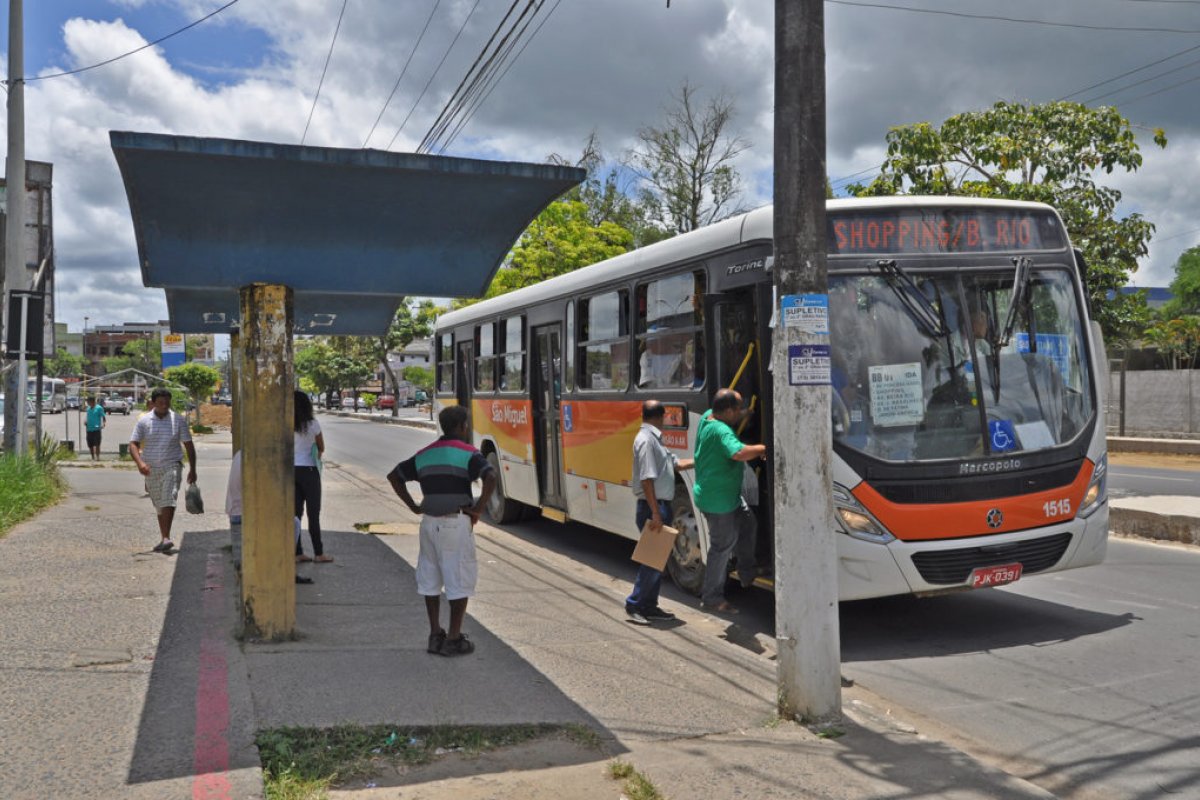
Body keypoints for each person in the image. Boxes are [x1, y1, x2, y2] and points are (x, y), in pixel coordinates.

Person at [387, 405, 496, 657]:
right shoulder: (468, 453)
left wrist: (414, 506)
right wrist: (478, 509)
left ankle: (435, 635)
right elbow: (490, 477)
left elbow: (394, 476)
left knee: (430, 578)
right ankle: (454, 639)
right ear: (462, 427)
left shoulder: (425, 453)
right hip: (454, 522)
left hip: (429, 523)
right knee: (458, 579)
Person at [693, 388, 766, 614]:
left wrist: (745, 415)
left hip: (726, 497)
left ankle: (747, 571)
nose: (739, 413)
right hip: (718, 503)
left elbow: (730, 416)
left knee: (748, 522)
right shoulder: (721, 431)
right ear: (726, 411)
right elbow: (738, 453)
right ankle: (712, 597)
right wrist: (765, 448)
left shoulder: (708, 417)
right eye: (737, 409)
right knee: (721, 547)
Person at [625, 400, 693, 625]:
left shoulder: (654, 439)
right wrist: (655, 512)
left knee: (657, 561)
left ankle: (649, 606)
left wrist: (702, 460)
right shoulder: (646, 441)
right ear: (661, 416)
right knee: (651, 560)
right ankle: (635, 605)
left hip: (657, 506)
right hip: (652, 507)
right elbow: (646, 479)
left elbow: (676, 464)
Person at [226, 451, 313, 583]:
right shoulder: (257, 456)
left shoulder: (242, 453)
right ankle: (285, 570)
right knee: (293, 523)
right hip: (246, 514)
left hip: (236, 511)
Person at [129, 387, 197, 553]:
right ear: (153, 403)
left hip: (172, 464)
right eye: (160, 402)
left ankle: (166, 538)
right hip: (150, 468)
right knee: (159, 504)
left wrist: (193, 469)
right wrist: (140, 464)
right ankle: (163, 538)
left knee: (169, 497)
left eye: (167, 402)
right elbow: (133, 444)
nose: (164, 405)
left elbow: (189, 445)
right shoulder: (144, 421)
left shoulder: (178, 420)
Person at [293, 391, 330, 563]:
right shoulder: (313, 424)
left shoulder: (285, 423)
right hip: (309, 470)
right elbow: (321, 447)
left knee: (296, 515)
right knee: (313, 514)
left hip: (291, 471)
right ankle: (319, 553)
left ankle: (298, 552)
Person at [84, 395, 106, 461]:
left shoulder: (99, 408)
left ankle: (98, 457)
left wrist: (103, 424)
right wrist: (85, 421)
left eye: (88, 401)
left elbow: (103, 417)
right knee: (90, 445)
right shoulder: (88, 409)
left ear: (92, 401)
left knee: (97, 444)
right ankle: (92, 457)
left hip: (96, 429)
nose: (88, 403)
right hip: (89, 429)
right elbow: (87, 417)